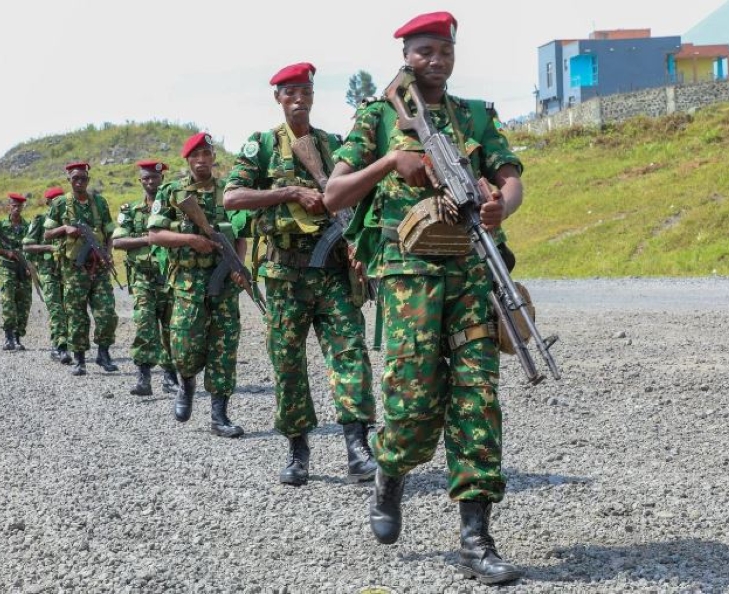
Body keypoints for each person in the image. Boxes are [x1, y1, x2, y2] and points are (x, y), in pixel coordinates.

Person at [323, 12, 525, 586]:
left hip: (471, 272)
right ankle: (390, 471)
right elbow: (334, 193)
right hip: (407, 277)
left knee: (478, 400)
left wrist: (501, 206)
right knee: (411, 406)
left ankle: (475, 540)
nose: (436, 61)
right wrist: (392, 161)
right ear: (406, 56)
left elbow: (510, 177)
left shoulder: (476, 115)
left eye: (445, 51)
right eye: (425, 51)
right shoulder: (377, 116)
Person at [224, 62, 377, 486]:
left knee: (350, 354)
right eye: (290, 92)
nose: (299, 99)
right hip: (285, 275)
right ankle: (297, 450)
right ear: (278, 97)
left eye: (305, 91)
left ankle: (358, 448)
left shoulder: (332, 145)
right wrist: (289, 192)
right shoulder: (261, 146)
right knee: (288, 363)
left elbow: (359, 198)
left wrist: (359, 243)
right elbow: (232, 197)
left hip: (333, 272)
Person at [147, 132, 247, 438]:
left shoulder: (228, 192)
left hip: (223, 283)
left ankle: (219, 416)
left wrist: (238, 266)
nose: (201, 160)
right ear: (188, 160)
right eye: (195, 155)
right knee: (185, 347)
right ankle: (186, 384)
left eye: (206, 154)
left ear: (213, 157)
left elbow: (241, 235)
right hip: (188, 284)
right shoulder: (172, 192)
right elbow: (155, 235)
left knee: (224, 347)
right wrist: (190, 239)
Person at [43, 162, 119, 376]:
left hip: (99, 266)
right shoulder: (60, 204)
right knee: (76, 314)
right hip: (74, 269)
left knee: (107, 313)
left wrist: (108, 253)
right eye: (75, 178)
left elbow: (110, 232)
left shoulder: (99, 202)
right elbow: (47, 234)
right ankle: (79, 359)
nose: (79, 182)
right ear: (69, 179)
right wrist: (64, 229)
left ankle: (103, 354)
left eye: (83, 178)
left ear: (88, 179)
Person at [112, 160, 179, 395]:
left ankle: (170, 377)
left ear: (162, 180)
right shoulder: (131, 210)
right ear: (140, 181)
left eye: (155, 177)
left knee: (171, 328)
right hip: (142, 279)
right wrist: (151, 239)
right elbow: (118, 241)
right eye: (146, 178)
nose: (151, 181)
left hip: (170, 277)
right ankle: (144, 377)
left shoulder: (173, 209)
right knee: (145, 325)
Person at [23, 186, 72, 364]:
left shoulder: (70, 221)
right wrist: (49, 247)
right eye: (56, 202)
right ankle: (60, 347)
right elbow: (27, 246)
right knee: (56, 308)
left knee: (69, 308)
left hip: (68, 272)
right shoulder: (40, 220)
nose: (60, 205)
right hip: (48, 271)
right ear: (49, 203)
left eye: (63, 201)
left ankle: (64, 343)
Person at [0, 192, 32, 351]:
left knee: (24, 303)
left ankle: (18, 338)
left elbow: (33, 247)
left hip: (24, 268)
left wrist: (32, 267)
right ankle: (9, 337)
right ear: (9, 206)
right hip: (6, 267)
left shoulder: (28, 226)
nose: (17, 209)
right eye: (14, 206)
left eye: (20, 206)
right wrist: (5, 252)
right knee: (8, 300)